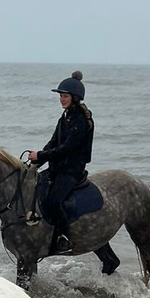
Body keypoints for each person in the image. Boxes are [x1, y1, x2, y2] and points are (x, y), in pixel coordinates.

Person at [26, 71, 94, 254]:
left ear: (74, 97)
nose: (62, 100)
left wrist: (41, 156)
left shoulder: (80, 119)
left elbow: (68, 148)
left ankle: (65, 238)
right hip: (58, 167)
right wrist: (37, 162)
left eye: (65, 96)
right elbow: (54, 142)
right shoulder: (64, 117)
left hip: (72, 170)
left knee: (55, 201)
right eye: (61, 96)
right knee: (36, 189)